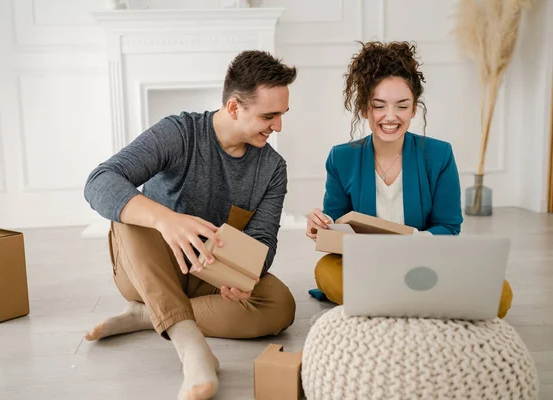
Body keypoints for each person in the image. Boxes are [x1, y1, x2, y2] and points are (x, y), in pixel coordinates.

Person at [83, 50, 298, 400]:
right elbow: (100, 180)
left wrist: (244, 275)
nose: (278, 126)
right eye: (269, 115)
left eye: (282, 115)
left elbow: (263, 240)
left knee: (279, 304)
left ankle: (150, 315)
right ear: (233, 108)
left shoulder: (272, 169)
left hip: (208, 277)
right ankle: (192, 349)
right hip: (150, 268)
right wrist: (166, 220)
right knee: (129, 217)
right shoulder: (179, 133)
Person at [305, 41, 513, 319]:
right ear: (365, 109)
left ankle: (387, 306)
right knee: (326, 271)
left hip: (426, 263)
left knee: (500, 292)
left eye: (402, 106)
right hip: (370, 266)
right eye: (379, 106)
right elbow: (336, 226)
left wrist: (411, 241)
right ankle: (422, 307)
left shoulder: (439, 154)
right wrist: (320, 225)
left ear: (414, 109)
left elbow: (449, 228)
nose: (390, 117)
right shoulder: (341, 158)